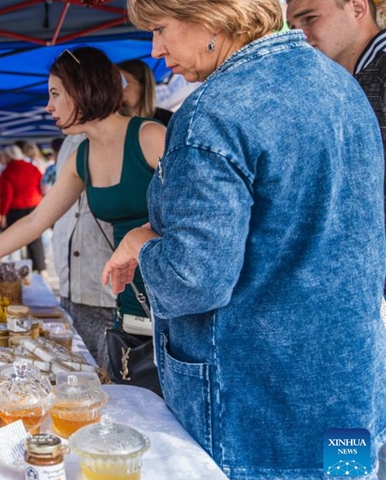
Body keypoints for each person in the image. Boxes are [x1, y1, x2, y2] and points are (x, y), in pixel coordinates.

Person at [104, 0, 386, 476]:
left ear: (209, 16)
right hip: (349, 393)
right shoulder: (342, 84)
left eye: (160, 28)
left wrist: (142, 245)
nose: (155, 49)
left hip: (254, 412)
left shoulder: (211, 113)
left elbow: (194, 279)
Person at [0, 47, 166, 350]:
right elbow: (35, 220)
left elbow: (198, 216)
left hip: (171, 298)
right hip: (129, 302)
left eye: (55, 94)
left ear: (83, 89)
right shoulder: (81, 156)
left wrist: (145, 234)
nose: (48, 106)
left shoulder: (151, 137)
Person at [286, 0, 386, 295]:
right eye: (292, 26)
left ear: (356, 8)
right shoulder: (345, 82)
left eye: (309, 18)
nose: (300, 35)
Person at [50, 132, 116, 370]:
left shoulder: (133, 134)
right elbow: (42, 216)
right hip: (72, 284)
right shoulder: (70, 142)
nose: (49, 106)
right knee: (74, 371)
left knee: (107, 380)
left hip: (105, 288)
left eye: (57, 94)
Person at [0, 144, 46, 272]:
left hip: (16, 209)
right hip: (34, 206)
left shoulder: (7, 172)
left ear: (8, 156)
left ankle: (16, 269)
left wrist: (2, 214)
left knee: (14, 239)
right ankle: (40, 268)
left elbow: (6, 195)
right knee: (35, 238)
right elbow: (41, 186)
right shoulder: (33, 168)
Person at [116, 59, 174, 126]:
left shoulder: (169, 121)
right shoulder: (110, 124)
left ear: (143, 86)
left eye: (123, 83)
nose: (117, 90)